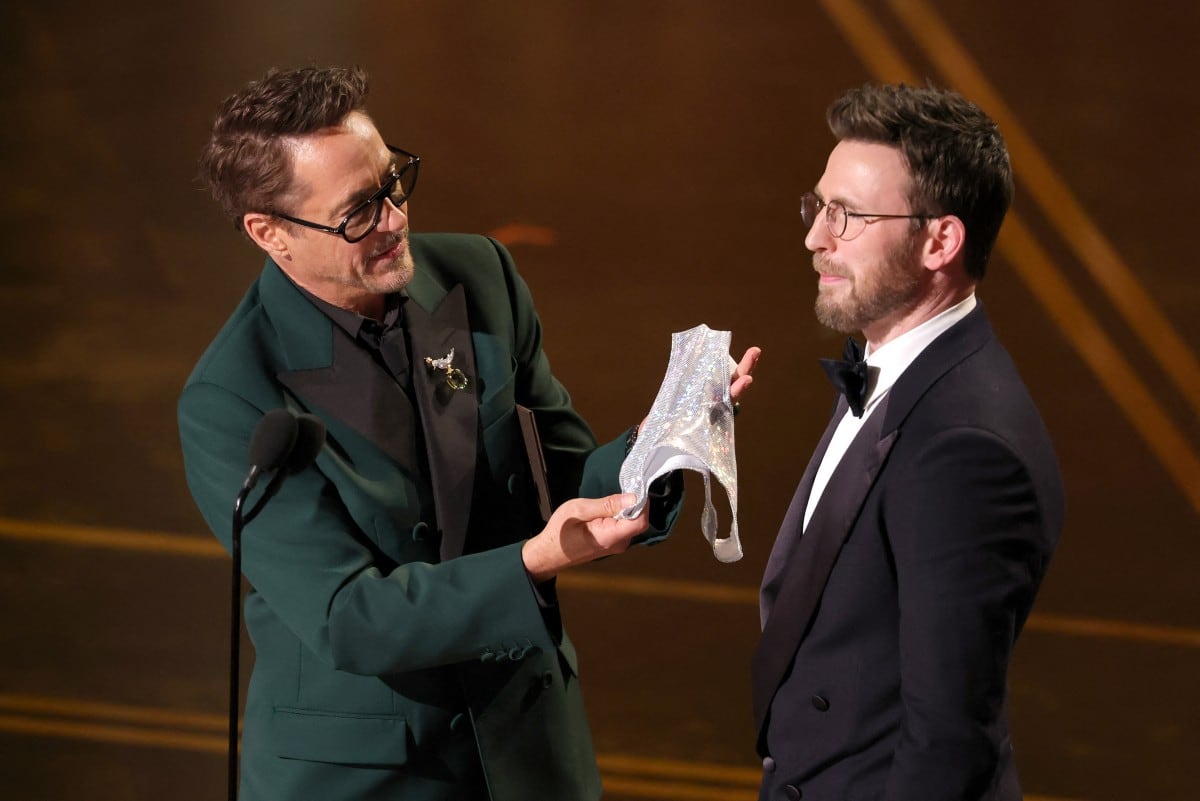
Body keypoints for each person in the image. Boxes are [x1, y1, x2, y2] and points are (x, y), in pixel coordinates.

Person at [178, 65, 756, 801]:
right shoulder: (232, 394)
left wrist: (660, 441)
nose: (393, 219)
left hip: (527, 745)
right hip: (372, 775)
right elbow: (350, 617)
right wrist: (532, 561)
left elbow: (565, 481)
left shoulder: (480, 276)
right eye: (358, 211)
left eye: (393, 183)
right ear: (270, 234)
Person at [752, 83, 1064, 800]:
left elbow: (948, 740)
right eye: (819, 206)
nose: (815, 238)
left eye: (848, 216)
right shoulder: (897, 364)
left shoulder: (964, 449)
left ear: (940, 240)